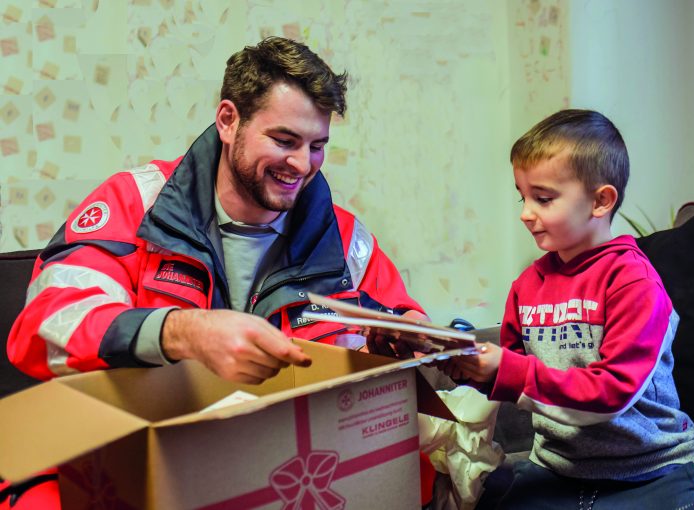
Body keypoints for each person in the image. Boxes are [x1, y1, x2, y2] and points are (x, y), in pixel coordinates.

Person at [3, 37, 429, 508]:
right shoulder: (137, 204)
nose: (303, 165)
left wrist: (400, 338)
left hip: (277, 473)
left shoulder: (346, 241)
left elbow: (398, 320)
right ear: (229, 121)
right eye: (285, 141)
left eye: (318, 146)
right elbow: (47, 327)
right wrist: (180, 332)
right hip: (138, 465)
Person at [441, 109, 694, 509]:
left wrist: (506, 370)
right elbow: (518, 380)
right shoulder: (526, 286)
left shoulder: (633, 282)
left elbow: (612, 393)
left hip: (650, 469)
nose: (525, 213)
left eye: (543, 198)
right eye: (523, 196)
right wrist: (471, 368)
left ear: (600, 201)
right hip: (558, 468)